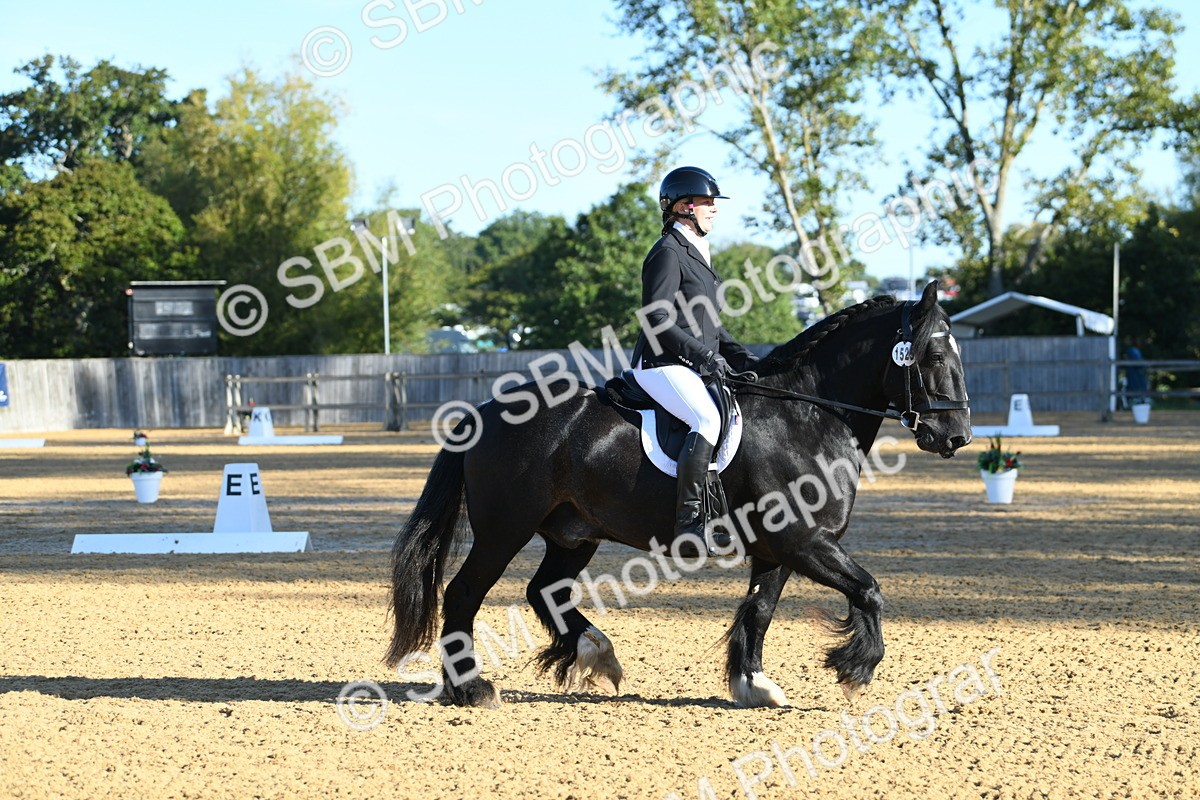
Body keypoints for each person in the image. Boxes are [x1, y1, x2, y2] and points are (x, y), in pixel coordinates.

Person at [630, 166, 759, 545]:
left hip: (688, 360)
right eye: (708, 202)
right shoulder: (669, 252)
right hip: (661, 362)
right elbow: (656, 317)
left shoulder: (697, 251)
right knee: (706, 419)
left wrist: (743, 357)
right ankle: (689, 522)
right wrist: (703, 355)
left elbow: (707, 323)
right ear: (685, 207)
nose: (714, 209)